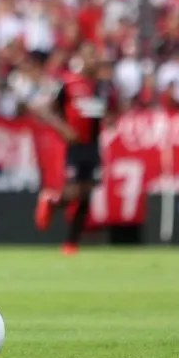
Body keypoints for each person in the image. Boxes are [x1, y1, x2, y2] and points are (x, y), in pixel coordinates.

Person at [35, 45, 117, 254]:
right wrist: (63, 129)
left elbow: (111, 109)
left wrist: (110, 118)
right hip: (75, 145)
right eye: (89, 56)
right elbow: (45, 109)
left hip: (93, 145)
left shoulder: (102, 87)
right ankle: (53, 200)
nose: (93, 61)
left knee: (88, 193)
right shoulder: (68, 84)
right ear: (81, 60)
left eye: (95, 57)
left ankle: (71, 242)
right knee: (74, 190)